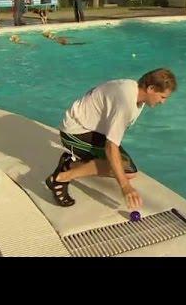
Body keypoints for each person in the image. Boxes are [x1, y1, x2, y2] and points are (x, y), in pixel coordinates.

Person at [46, 68, 177, 208]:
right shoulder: (126, 102)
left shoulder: (132, 89)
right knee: (126, 171)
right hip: (75, 132)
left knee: (127, 170)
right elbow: (110, 146)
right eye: (162, 97)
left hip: (91, 129)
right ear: (151, 88)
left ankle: (70, 163)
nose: (163, 102)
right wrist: (125, 187)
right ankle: (60, 177)